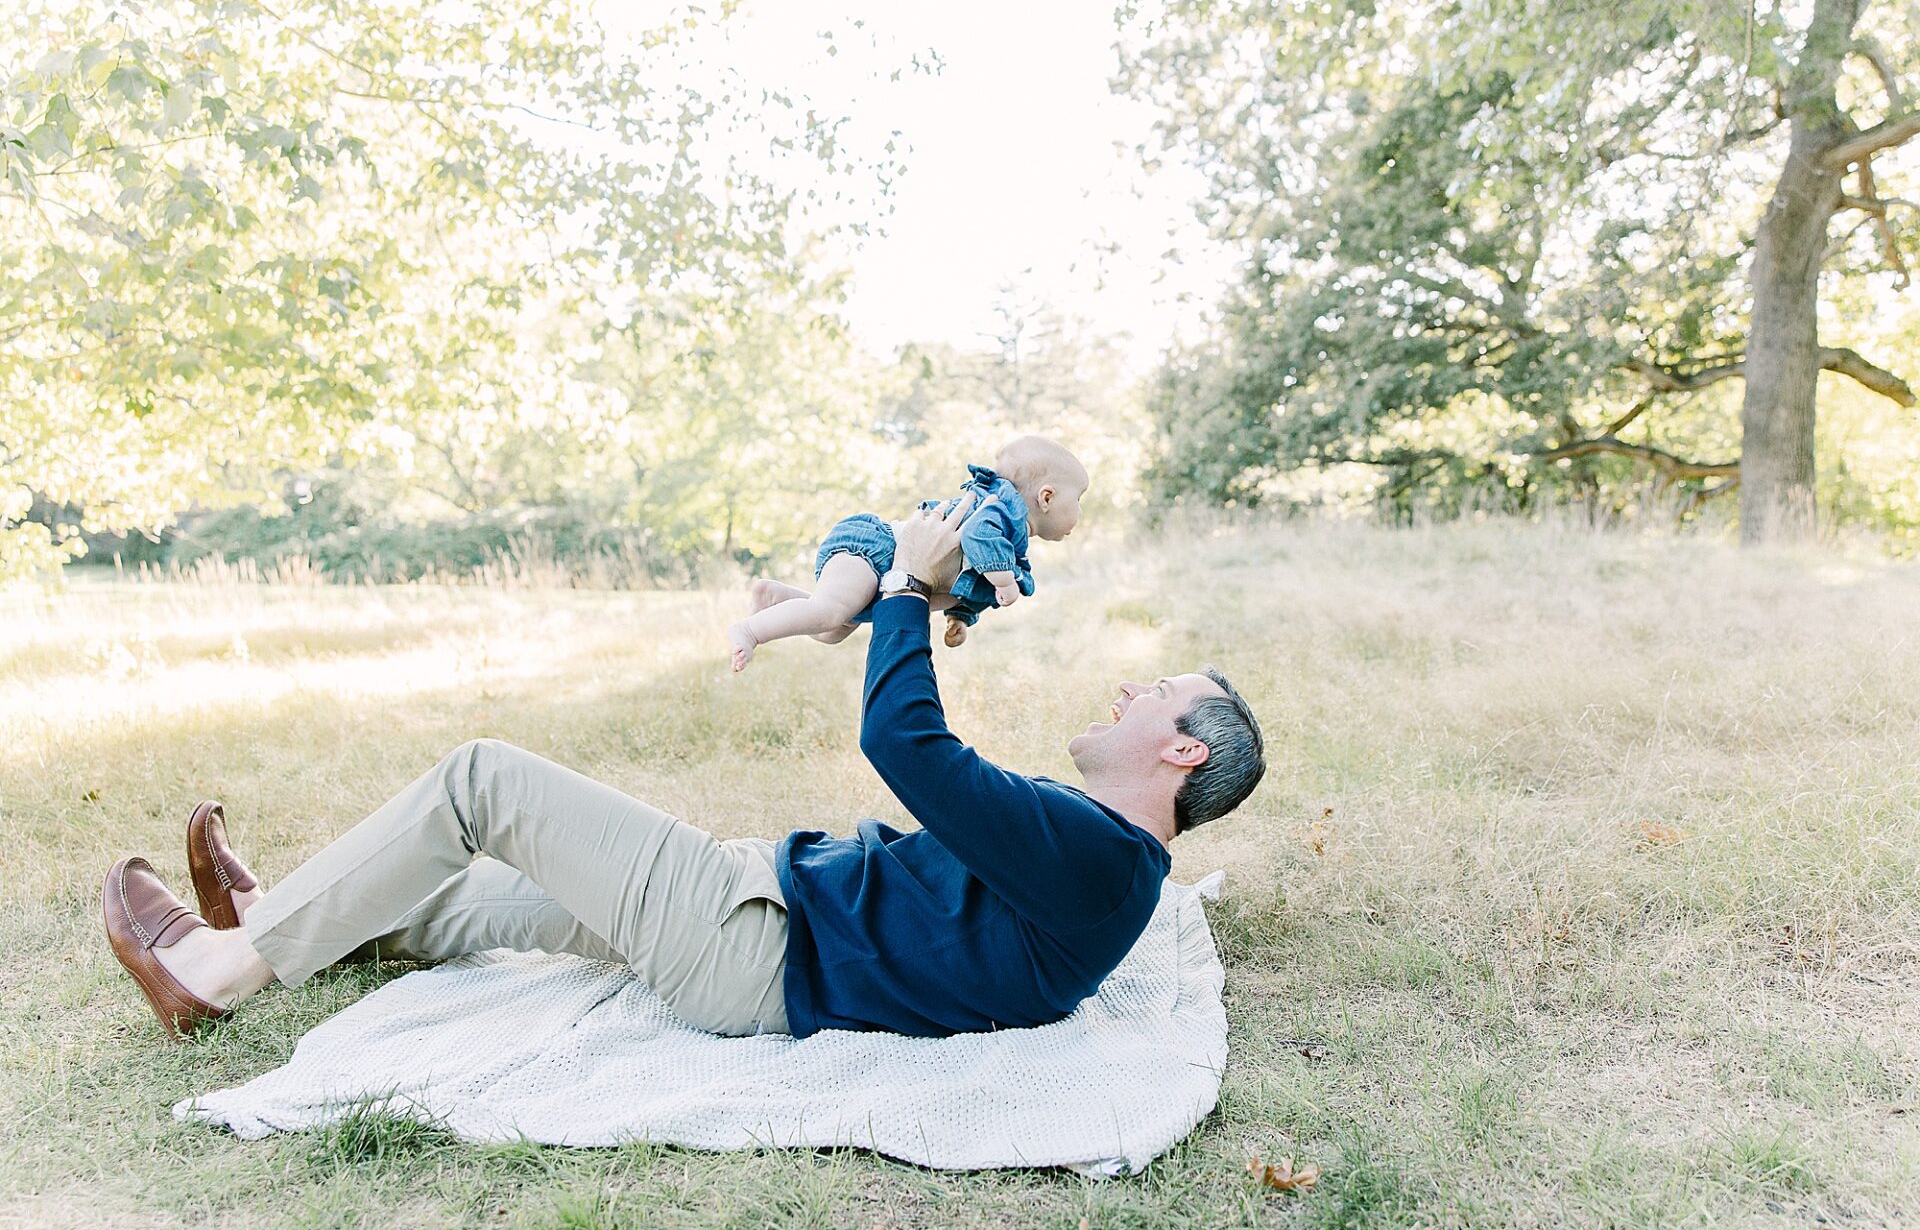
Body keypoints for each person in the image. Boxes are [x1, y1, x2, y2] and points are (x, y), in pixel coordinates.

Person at [103, 494, 1265, 1041]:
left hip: (752, 938)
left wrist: (909, 582)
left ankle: (211, 971)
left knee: (481, 781)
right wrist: (845, 616)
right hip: (761, 904)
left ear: (1183, 748)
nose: (1129, 689)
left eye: (1154, 693)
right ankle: (282, 916)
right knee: (461, 897)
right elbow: (945, 785)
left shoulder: (1102, 857)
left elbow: (908, 748)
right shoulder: (1097, 859)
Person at [724, 434, 1088, 670]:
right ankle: (750, 631)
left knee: (833, 630)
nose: (1081, 513)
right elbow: (978, 537)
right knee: (829, 612)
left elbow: (963, 579)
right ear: (1047, 497)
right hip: (875, 549)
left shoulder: (1011, 542)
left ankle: (775, 596)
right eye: (1079, 500)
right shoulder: (998, 510)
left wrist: (959, 618)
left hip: (887, 573)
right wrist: (1005, 581)